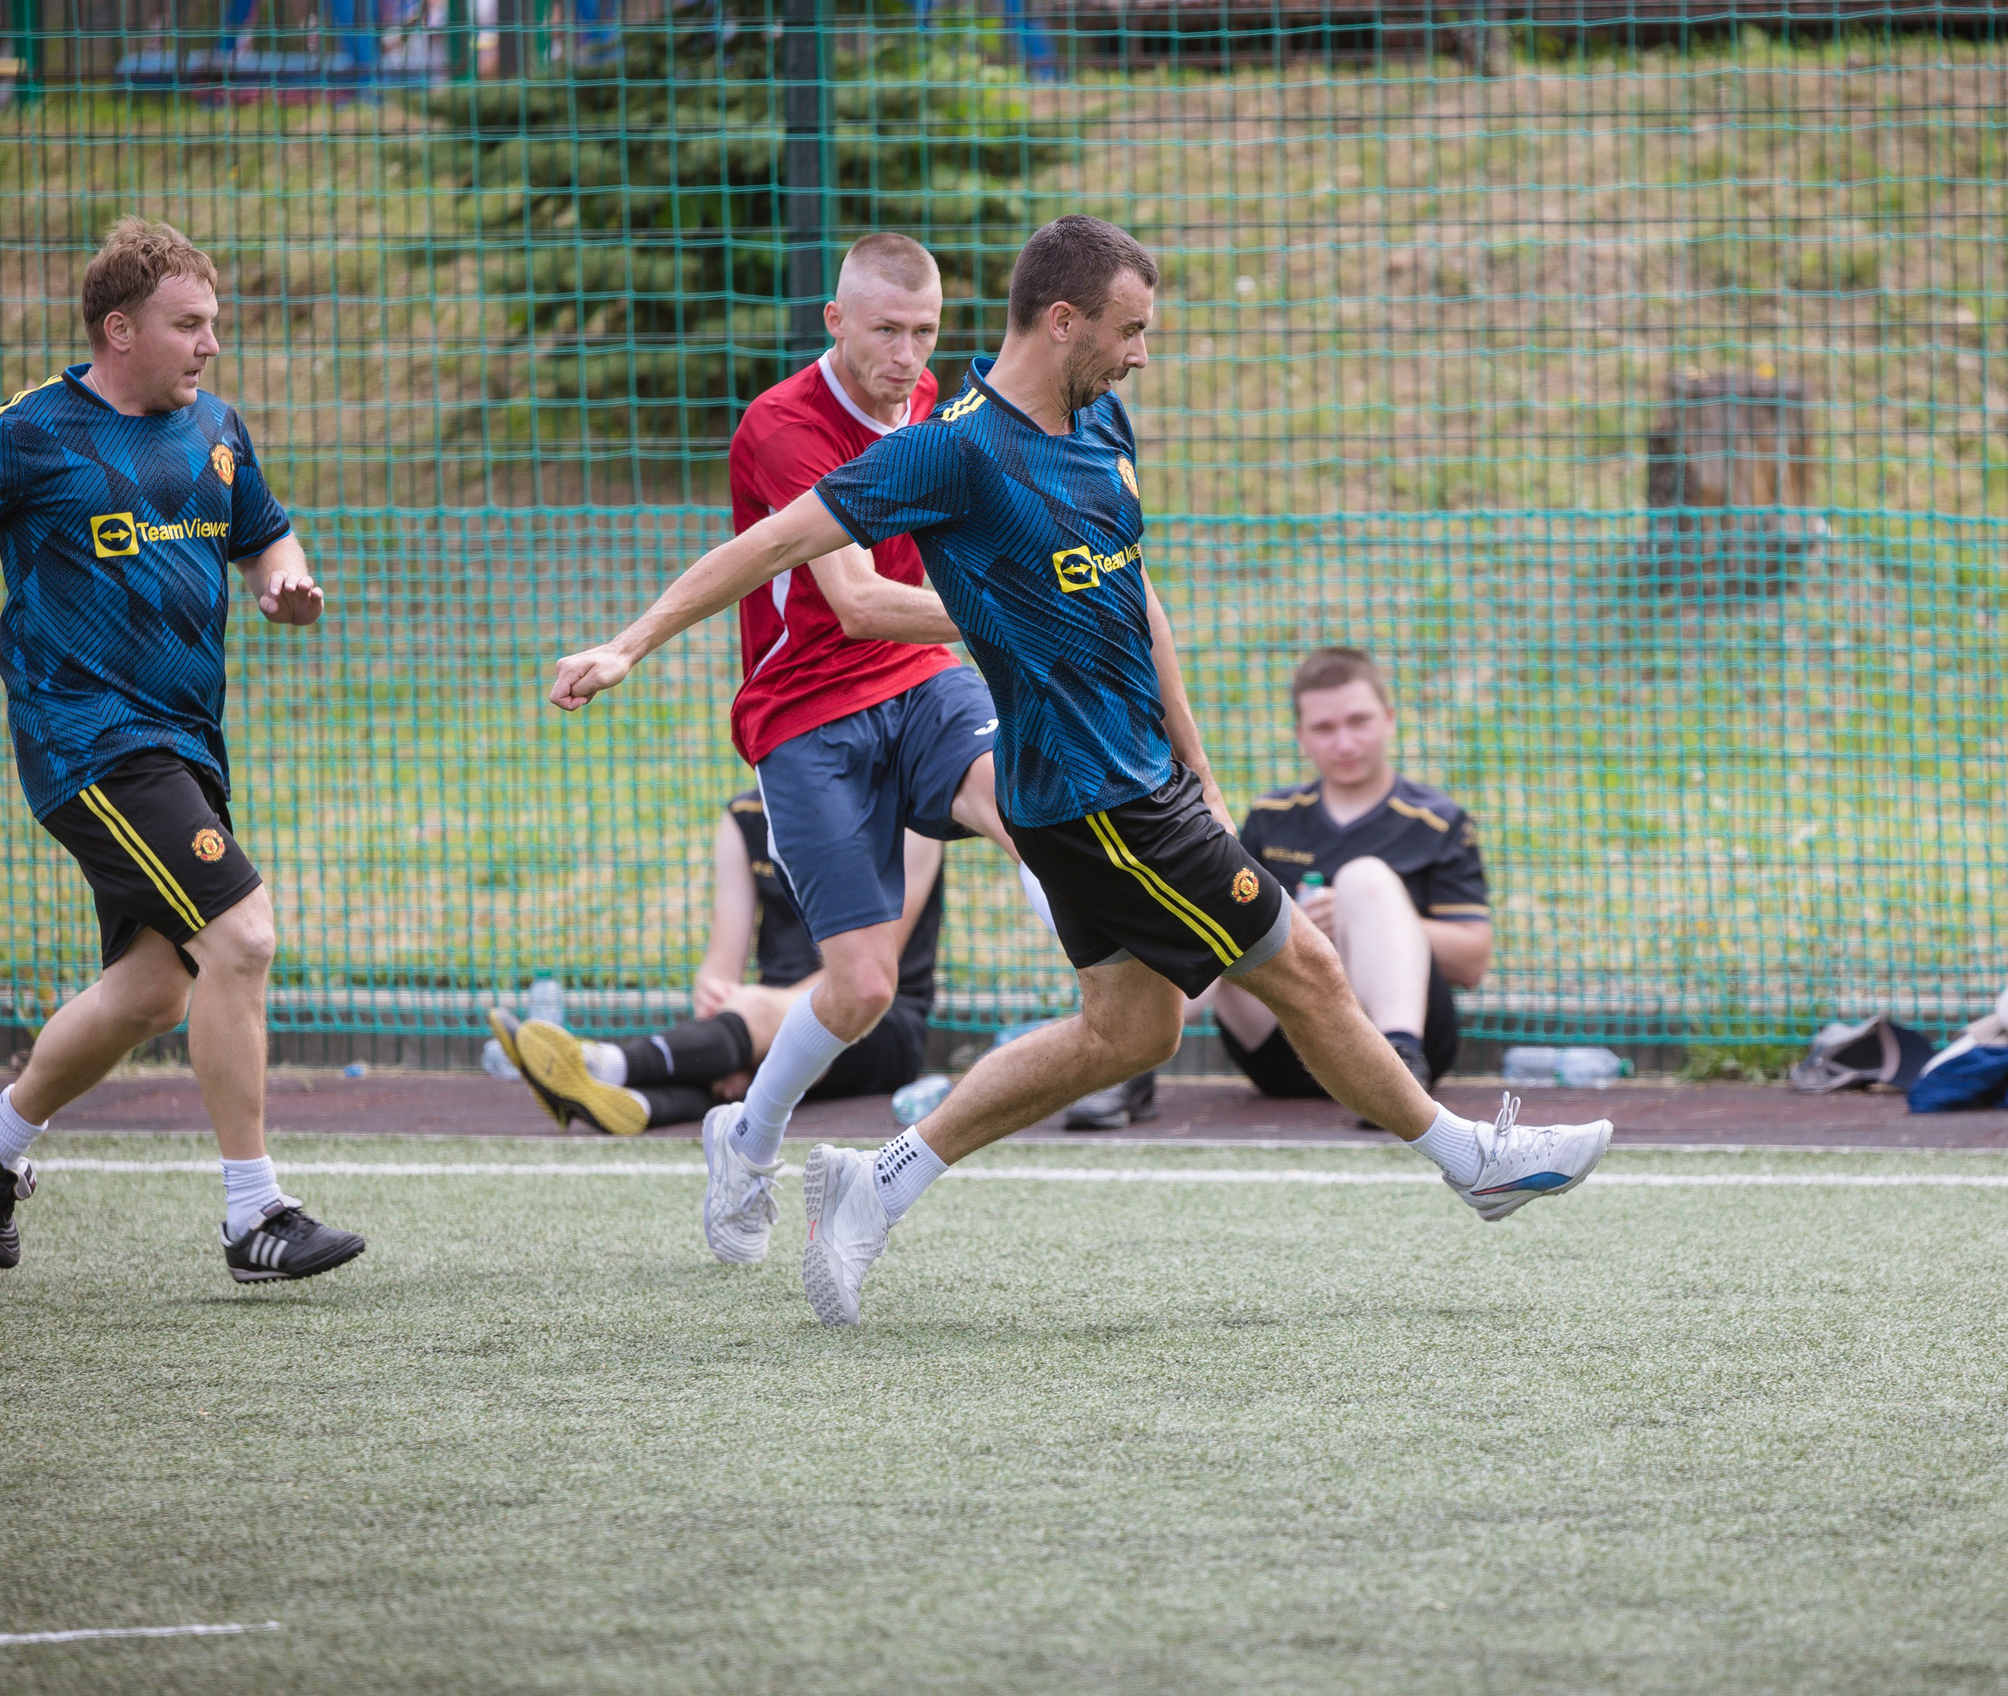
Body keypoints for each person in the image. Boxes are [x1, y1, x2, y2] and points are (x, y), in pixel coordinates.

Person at [548, 213, 1613, 1330]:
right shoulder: (949, 448)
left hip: (1139, 782)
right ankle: (1469, 1161)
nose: (1141, 352)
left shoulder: (1105, 422)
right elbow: (768, 546)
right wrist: (629, 641)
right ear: (1061, 322)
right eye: (1129, 330)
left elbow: (1133, 595)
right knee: (1301, 962)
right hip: (1091, 801)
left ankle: (880, 1181)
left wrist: (1194, 753)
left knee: (1132, 1032)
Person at [559, 231, 1033, 1268]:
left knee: (1021, 800)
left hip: (918, 685)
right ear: (835, 321)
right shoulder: (782, 426)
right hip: (806, 709)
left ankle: (1116, 967)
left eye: (923, 333)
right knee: (862, 988)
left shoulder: (937, 403)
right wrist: (628, 645)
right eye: (885, 332)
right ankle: (748, 1136)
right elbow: (858, 603)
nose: (906, 357)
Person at [0, 218, 364, 1282]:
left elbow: (264, 534)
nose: (209, 345)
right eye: (188, 325)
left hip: (187, 741)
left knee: (157, 988)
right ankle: (254, 1213)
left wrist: (281, 584)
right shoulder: (33, 434)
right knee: (241, 937)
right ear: (119, 329)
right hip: (91, 739)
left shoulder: (214, 426)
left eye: (213, 325)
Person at [488, 795, 946, 1135]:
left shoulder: (907, 816)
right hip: (756, 1019)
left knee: (768, 1024)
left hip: (878, 1023)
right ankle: (633, 1104)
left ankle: (604, 1064)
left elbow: (866, 974)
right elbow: (719, 968)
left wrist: (762, 1023)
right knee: (737, 1049)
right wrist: (718, 999)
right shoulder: (745, 818)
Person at [1208, 646, 1490, 1120]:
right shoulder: (1271, 818)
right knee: (1207, 897)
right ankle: (1128, 1060)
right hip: (1281, 1049)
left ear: (1389, 719)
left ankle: (1397, 1060)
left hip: (1394, 1046)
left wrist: (1371, 918)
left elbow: (1472, 960)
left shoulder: (1437, 821)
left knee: (1365, 880)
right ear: (1300, 736)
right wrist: (1291, 925)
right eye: (1324, 728)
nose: (1344, 743)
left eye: (1358, 721)